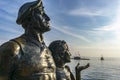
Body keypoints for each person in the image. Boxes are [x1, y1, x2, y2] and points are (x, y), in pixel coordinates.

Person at [0, 0, 56, 80]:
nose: (47, 18)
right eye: (41, 13)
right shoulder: (13, 48)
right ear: (29, 18)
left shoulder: (47, 50)